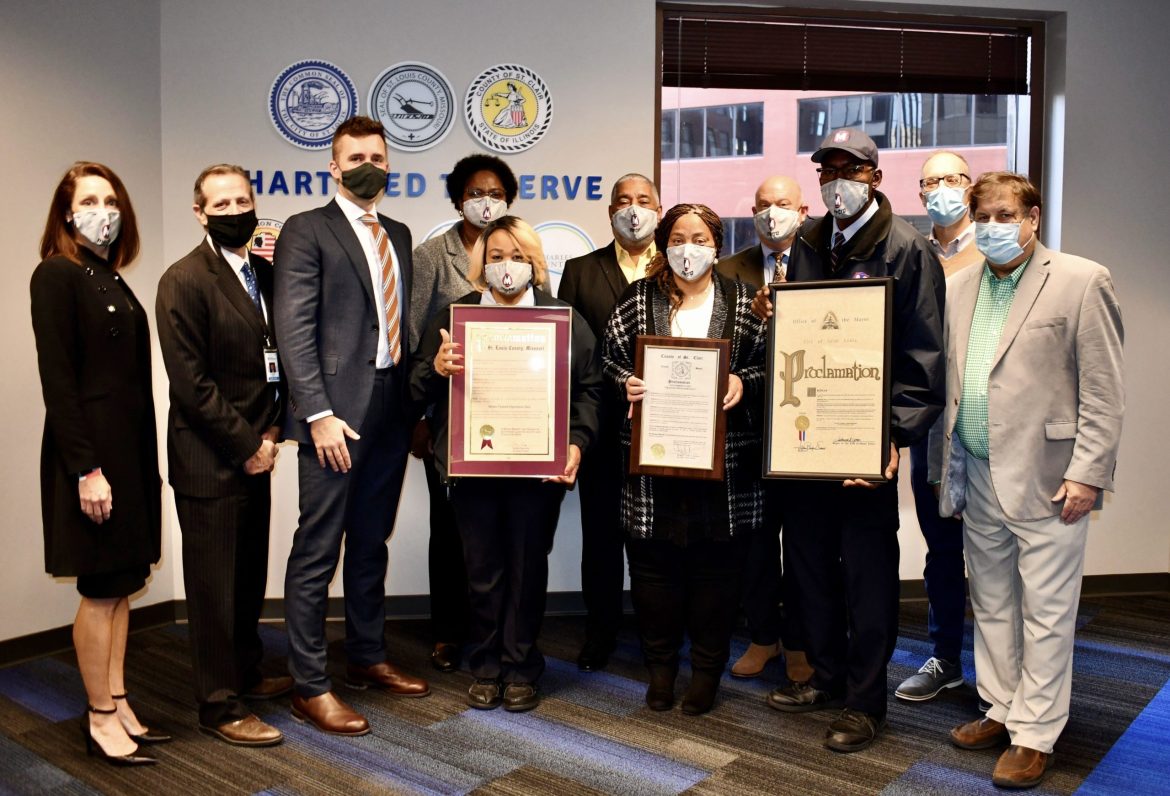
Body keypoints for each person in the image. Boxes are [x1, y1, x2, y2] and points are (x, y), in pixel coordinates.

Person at [755, 128, 944, 752]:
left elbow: (923, 359)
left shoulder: (907, 249)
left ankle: (865, 702)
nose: (837, 180)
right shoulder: (809, 241)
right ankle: (827, 679)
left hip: (866, 446)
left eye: (850, 169)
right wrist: (774, 314)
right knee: (808, 565)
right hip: (810, 441)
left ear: (875, 176)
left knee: (866, 576)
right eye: (827, 170)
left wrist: (892, 439)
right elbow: (809, 335)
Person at [933, 172, 1124, 789]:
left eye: (1004, 213)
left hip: (1049, 478)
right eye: (982, 214)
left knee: (1046, 610)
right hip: (979, 470)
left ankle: (1036, 733)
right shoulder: (959, 286)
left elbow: (1103, 390)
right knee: (990, 601)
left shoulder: (1080, 280)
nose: (991, 225)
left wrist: (1088, 474)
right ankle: (1001, 705)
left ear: (1033, 218)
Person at [274, 116, 429, 737]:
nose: (369, 164)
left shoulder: (398, 231)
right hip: (333, 418)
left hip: (391, 410)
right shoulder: (306, 229)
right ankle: (310, 685)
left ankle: (365, 657)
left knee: (371, 543)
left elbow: (394, 328)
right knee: (318, 550)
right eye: (355, 156)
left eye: (378, 156)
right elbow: (293, 330)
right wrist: (317, 415)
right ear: (333, 167)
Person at [411, 216, 601, 712]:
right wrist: (436, 369)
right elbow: (417, 389)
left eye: (517, 256)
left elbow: (589, 390)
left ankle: (521, 666)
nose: (506, 266)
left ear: (535, 264)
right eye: (495, 256)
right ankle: (487, 664)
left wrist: (577, 444)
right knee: (482, 569)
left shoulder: (563, 318)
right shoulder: (455, 318)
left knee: (525, 567)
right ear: (479, 264)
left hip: (537, 472)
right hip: (474, 470)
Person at [603, 203, 767, 716]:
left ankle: (705, 674)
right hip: (653, 468)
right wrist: (622, 382)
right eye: (678, 237)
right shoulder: (637, 298)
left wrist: (745, 382)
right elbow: (607, 357)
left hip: (726, 472)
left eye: (699, 238)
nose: (687, 248)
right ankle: (660, 672)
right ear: (663, 243)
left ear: (716, 245)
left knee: (716, 579)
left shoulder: (743, 302)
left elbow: (770, 365)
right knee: (654, 576)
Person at [31, 162, 165, 766]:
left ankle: (118, 697)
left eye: (110, 199)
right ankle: (99, 715)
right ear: (66, 211)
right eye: (89, 199)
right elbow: (59, 384)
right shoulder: (56, 276)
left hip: (128, 457)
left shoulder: (108, 276)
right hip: (89, 461)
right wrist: (87, 469)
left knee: (123, 586)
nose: (103, 210)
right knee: (99, 589)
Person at [155, 164, 291, 747]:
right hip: (211, 460)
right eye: (222, 202)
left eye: (243, 199)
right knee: (213, 588)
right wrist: (246, 445)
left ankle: (246, 671)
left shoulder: (264, 272)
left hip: (259, 450)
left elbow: (276, 361)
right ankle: (218, 704)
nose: (236, 209)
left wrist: (272, 434)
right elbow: (191, 384)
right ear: (200, 213)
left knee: (246, 577)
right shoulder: (183, 280)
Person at [409, 153, 518, 674]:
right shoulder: (432, 255)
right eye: (475, 192)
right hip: (449, 420)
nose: (486, 201)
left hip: (509, 419)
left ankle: (495, 630)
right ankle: (450, 632)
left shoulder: (516, 253)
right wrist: (421, 416)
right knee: (448, 528)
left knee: (498, 533)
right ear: (457, 199)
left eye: (495, 192)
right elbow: (415, 338)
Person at [557, 172, 661, 672]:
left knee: (654, 540)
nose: (634, 209)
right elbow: (571, 356)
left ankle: (655, 635)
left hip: (663, 430)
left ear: (659, 209)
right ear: (610, 212)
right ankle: (599, 632)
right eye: (624, 201)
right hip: (600, 427)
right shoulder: (580, 270)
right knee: (600, 539)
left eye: (644, 200)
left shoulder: (679, 263)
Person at [715, 175, 813, 683]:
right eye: (763, 205)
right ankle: (763, 637)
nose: (772, 213)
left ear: (803, 209)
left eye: (783, 204)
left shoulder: (824, 260)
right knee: (752, 542)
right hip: (748, 428)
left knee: (801, 542)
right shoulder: (729, 270)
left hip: (809, 428)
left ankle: (799, 642)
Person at [895, 151, 979, 703]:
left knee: (1003, 554)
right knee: (942, 548)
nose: (941, 189)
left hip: (989, 424)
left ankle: (1005, 670)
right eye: (931, 182)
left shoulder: (1000, 253)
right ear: (921, 194)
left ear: (969, 186)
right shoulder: (914, 255)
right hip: (933, 427)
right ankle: (946, 656)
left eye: (952, 179)